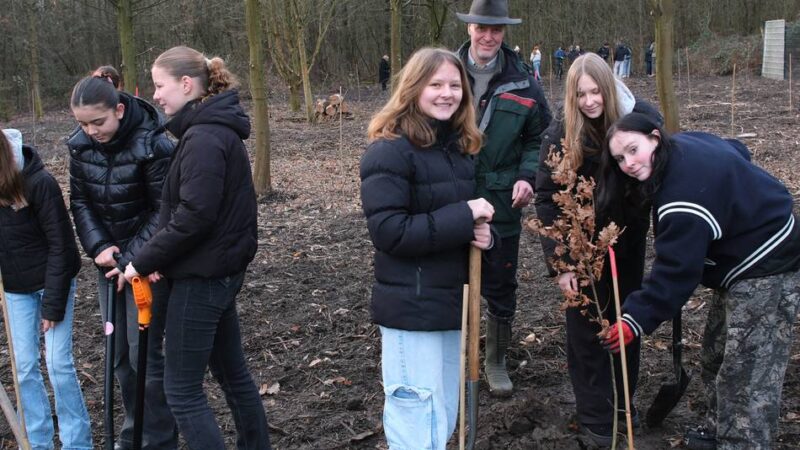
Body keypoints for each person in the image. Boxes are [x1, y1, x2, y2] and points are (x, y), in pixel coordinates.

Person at [599, 112, 800, 450]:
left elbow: (677, 272)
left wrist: (634, 319)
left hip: (769, 261)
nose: (628, 163)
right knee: (716, 353)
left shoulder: (682, 199)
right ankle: (718, 425)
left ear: (655, 138)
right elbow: (736, 150)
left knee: (748, 374)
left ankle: (742, 441)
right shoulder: (682, 145)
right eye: (620, 158)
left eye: (633, 150)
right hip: (739, 257)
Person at [121, 45, 271, 449]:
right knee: (231, 373)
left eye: (159, 85)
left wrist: (142, 260)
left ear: (186, 84)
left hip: (202, 278)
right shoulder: (208, 130)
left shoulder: (205, 137)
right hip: (213, 272)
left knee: (183, 392)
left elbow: (194, 215)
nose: (155, 95)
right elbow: (189, 214)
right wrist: (157, 257)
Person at [360, 46, 493, 450]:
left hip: (452, 304)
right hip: (411, 311)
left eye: (455, 85)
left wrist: (485, 235)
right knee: (416, 417)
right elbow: (390, 233)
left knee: (442, 416)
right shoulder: (389, 151)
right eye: (435, 84)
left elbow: (462, 222)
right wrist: (463, 215)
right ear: (414, 88)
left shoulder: (458, 151)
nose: (447, 93)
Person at [534, 53, 658, 447]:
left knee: (626, 322)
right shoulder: (560, 134)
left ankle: (624, 403)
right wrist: (563, 264)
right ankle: (596, 416)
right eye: (580, 94)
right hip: (579, 248)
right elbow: (547, 198)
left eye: (595, 92)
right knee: (586, 329)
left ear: (608, 88)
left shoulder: (638, 119)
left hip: (626, 243)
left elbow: (659, 172)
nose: (589, 101)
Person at [68, 75, 178, 449]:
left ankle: (158, 439)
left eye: (98, 122)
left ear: (118, 110)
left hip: (147, 264)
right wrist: (99, 247)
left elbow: (165, 209)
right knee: (119, 358)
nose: (90, 131)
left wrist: (133, 259)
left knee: (144, 354)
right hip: (108, 265)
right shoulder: (80, 147)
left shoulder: (154, 144)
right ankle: (132, 434)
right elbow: (80, 202)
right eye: (83, 124)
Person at [456, 0, 550, 397]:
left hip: (502, 199)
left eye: (496, 30)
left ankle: (494, 359)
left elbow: (539, 136)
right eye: (482, 28)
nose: (488, 36)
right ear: (469, 29)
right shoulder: (447, 74)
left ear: (504, 33)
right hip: (452, 193)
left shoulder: (524, 81)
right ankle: (456, 354)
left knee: (500, 281)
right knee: (451, 278)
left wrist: (528, 176)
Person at [0, 129, 92, 450]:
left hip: (54, 282)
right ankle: (36, 442)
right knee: (24, 367)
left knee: (57, 364)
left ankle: (77, 443)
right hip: (15, 289)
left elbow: (63, 249)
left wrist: (52, 306)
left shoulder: (40, 184)